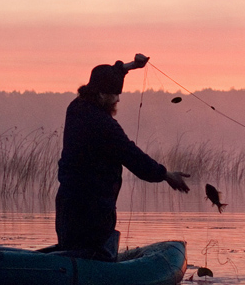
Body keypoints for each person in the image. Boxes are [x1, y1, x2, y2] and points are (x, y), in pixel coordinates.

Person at [54, 54, 190, 260]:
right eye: (114, 94)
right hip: (93, 208)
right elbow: (132, 156)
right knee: (91, 258)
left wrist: (131, 66)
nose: (118, 99)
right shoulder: (104, 125)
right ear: (100, 94)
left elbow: (107, 75)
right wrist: (166, 175)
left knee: (73, 252)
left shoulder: (75, 107)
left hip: (67, 203)